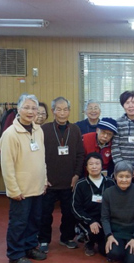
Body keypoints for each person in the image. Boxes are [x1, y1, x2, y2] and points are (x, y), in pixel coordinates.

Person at [0, 94, 47, 263]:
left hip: (37, 187)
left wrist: (45, 180)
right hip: (20, 190)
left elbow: (42, 158)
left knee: (34, 221)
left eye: (34, 108)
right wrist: (13, 190)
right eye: (26, 107)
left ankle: (29, 247)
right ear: (18, 109)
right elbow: (7, 165)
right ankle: (15, 254)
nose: (30, 111)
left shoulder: (38, 129)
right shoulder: (10, 134)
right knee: (19, 223)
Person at [38, 97, 85, 253]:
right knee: (45, 214)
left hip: (69, 181)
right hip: (49, 181)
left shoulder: (76, 129)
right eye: (59, 109)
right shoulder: (44, 130)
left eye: (65, 109)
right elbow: (38, 156)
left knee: (69, 213)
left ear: (69, 111)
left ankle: (67, 238)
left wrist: (77, 175)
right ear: (53, 111)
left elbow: (80, 154)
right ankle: (44, 240)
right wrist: (43, 178)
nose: (62, 112)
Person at [101, 161, 134, 263]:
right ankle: (121, 249)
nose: (124, 180)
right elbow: (105, 218)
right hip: (116, 232)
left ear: (132, 177)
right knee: (114, 254)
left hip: (133, 232)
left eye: (127, 176)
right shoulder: (108, 192)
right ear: (115, 176)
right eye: (121, 176)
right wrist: (109, 236)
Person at [72, 152, 115, 256]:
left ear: (102, 165)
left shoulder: (110, 182)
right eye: (91, 164)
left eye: (97, 163)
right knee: (93, 232)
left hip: (106, 219)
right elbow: (75, 207)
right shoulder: (80, 184)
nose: (94, 167)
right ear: (86, 167)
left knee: (106, 251)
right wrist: (90, 221)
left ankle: (101, 240)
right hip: (88, 219)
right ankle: (88, 241)